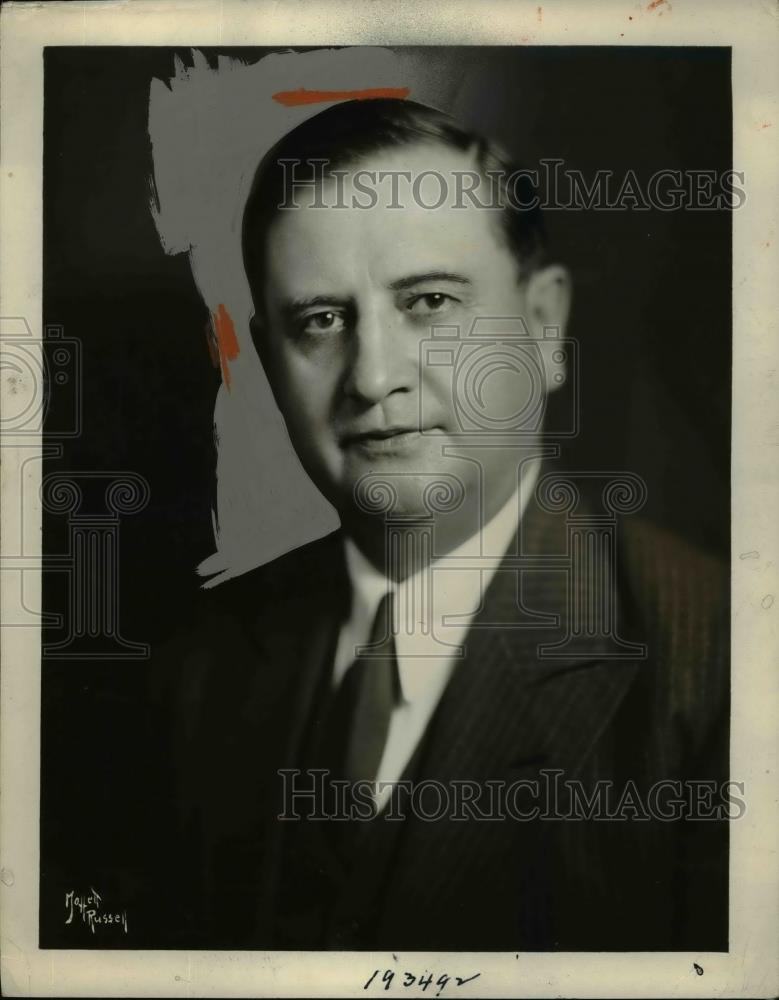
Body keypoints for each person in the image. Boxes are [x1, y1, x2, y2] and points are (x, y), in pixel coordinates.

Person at [149, 98, 729, 951]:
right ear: (269, 363)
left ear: (541, 326)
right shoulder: (198, 671)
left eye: (427, 303)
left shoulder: (723, 668)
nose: (373, 376)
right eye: (320, 320)